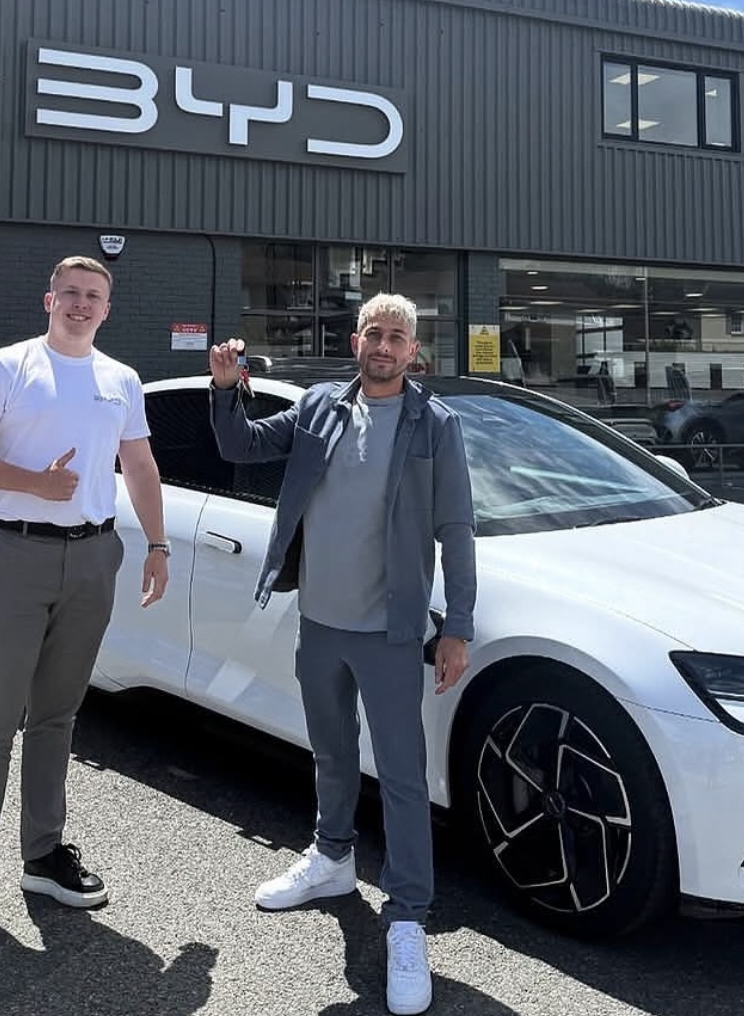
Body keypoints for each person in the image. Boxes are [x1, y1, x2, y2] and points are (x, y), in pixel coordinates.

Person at [208, 293, 476, 1016]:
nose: (384, 347)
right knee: (330, 751)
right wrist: (227, 390)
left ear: (413, 352)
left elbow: (456, 527)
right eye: (374, 334)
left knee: (401, 777)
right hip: (319, 622)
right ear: (356, 342)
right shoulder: (321, 407)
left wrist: (459, 625)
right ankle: (331, 859)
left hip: (389, 632)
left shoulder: (434, 423)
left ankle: (408, 916)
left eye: (398, 338)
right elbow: (241, 446)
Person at [0, 255, 170, 961]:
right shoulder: (8, 366)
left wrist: (157, 545)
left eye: (95, 296)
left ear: (107, 308)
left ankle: (44, 855)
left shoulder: (120, 380)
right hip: (16, 557)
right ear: (48, 298)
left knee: (57, 718)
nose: (82, 305)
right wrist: (33, 483)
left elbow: (140, 466)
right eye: (72, 294)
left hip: (92, 559)